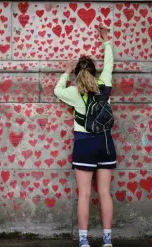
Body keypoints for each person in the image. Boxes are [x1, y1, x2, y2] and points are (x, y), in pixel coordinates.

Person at [54, 23, 116, 247]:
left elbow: (57, 91)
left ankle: (84, 241)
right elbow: (109, 63)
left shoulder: (73, 92)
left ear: (79, 72)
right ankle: (107, 241)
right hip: (105, 142)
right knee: (106, 193)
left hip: (83, 144)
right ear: (94, 72)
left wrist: (66, 72)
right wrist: (106, 40)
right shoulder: (104, 84)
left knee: (85, 195)